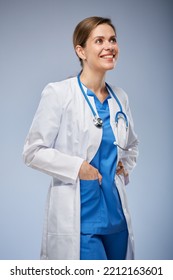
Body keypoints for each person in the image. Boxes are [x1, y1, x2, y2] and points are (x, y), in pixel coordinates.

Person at [23, 16, 139, 260]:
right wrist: (78, 168)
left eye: (112, 40)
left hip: (116, 221)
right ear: (81, 50)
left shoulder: (120, 97)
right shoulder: (59, 93)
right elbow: (33, 152)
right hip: (81, 221)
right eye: (99, 41)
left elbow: (131, 145)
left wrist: (123, 165)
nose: (109, 46)